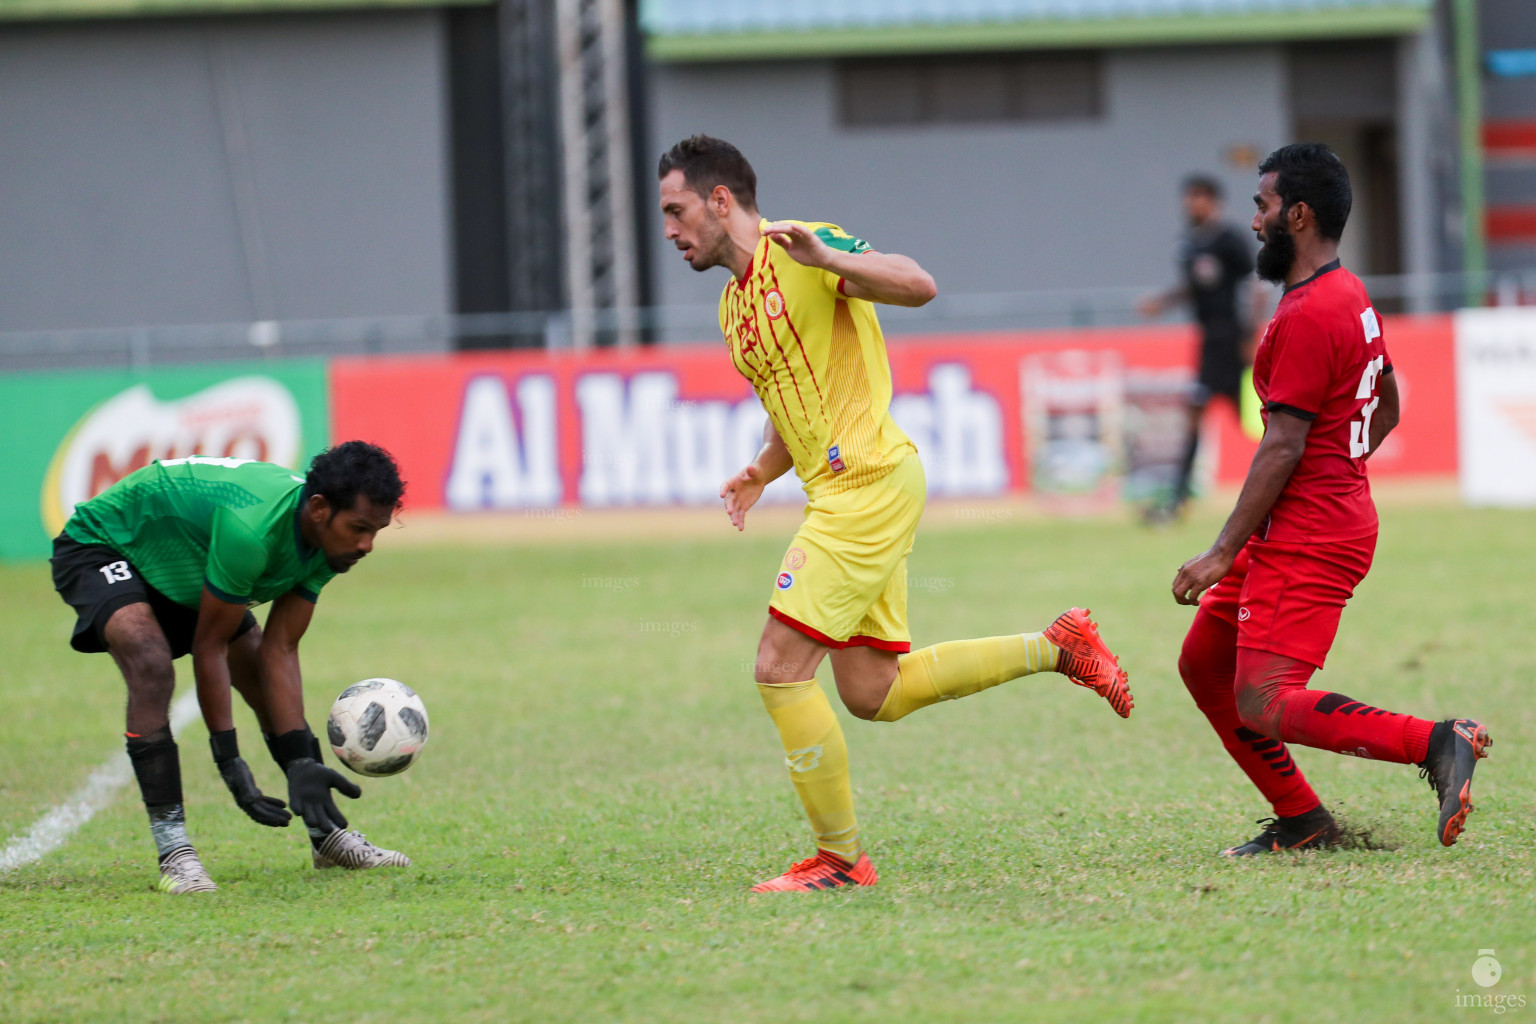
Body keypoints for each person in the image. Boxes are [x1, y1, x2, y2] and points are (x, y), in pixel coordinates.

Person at [658, 134, 1133, 892]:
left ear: (721, 201)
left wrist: (832, 261)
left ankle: (841, 863)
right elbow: (787, 401)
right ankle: (1058, 646)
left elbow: (918, 284)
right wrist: (759, 470)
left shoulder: (806, 247)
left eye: (677, 211)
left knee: (778, 668)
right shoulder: (732, 306)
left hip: (867, 484)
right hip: (843, 492)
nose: (671, 231)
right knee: (872, 692)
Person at [1171, 144, 1490, 855]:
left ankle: (1439, 742)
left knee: (1266, 700)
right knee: (1204, 663)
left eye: (1262, 206)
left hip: (1310, 531)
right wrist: (1342, 465)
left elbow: (1281, 445)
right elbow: (1390, 401)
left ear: (1299, 214)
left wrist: (1222, 551)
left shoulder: (1308, 313)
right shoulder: (1349, 293)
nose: (1254, 221)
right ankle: (1304, 821)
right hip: (1313, 514)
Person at [50, 442, 411, 893]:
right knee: (151, 663)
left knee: (258, 664)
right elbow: (210, 647)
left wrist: (301, 762)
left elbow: (280, 650)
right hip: (105, 544)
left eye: (375, 531)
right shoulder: (251, 531)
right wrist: (229, 759)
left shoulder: (329, 545)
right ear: (319, 509)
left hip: (184, 558)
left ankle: (327, 837)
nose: (366, 545)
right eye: (359, 528)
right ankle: (175, 852)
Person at [1139, 175, 1265, 521]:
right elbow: (1194, 288)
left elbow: (1256, 283)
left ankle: (1298, 480)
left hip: (1232, 339)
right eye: (1188, 197)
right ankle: (1178, 499)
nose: (1190, 204)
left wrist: (1251, 335)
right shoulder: (1190, 245)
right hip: (1210, 342)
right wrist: (1162, 303)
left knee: (1255, 420)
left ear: (1213, 201)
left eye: (1197, 197)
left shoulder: (1229, 240)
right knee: (1199, 413)